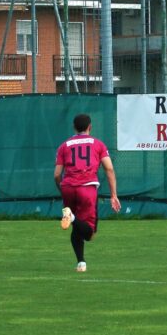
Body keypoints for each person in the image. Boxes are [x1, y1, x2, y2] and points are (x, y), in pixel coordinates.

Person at [54, 114, 121, 273]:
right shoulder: (98, 144)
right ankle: (72, 217)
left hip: (68, 187)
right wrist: (113, 195)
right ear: (90, 127)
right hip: (87, 188)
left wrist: (62, 190)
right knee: (89, 234)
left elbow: (57, 174)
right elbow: (109, 169)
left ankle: (81, 263)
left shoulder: (64, 146)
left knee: (76, 229)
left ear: (74, 127)